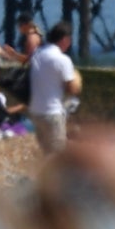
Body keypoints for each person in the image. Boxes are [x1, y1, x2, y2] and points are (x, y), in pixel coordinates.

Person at [27, 21, 81, 155]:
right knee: (57, 155)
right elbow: (73, 90)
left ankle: (41, 175)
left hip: (36, 111)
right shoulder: (62, 59)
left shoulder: (37, 54)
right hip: (52, 112)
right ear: (65, 39)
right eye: (69, 40)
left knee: (45, 152)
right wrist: (77, 77)